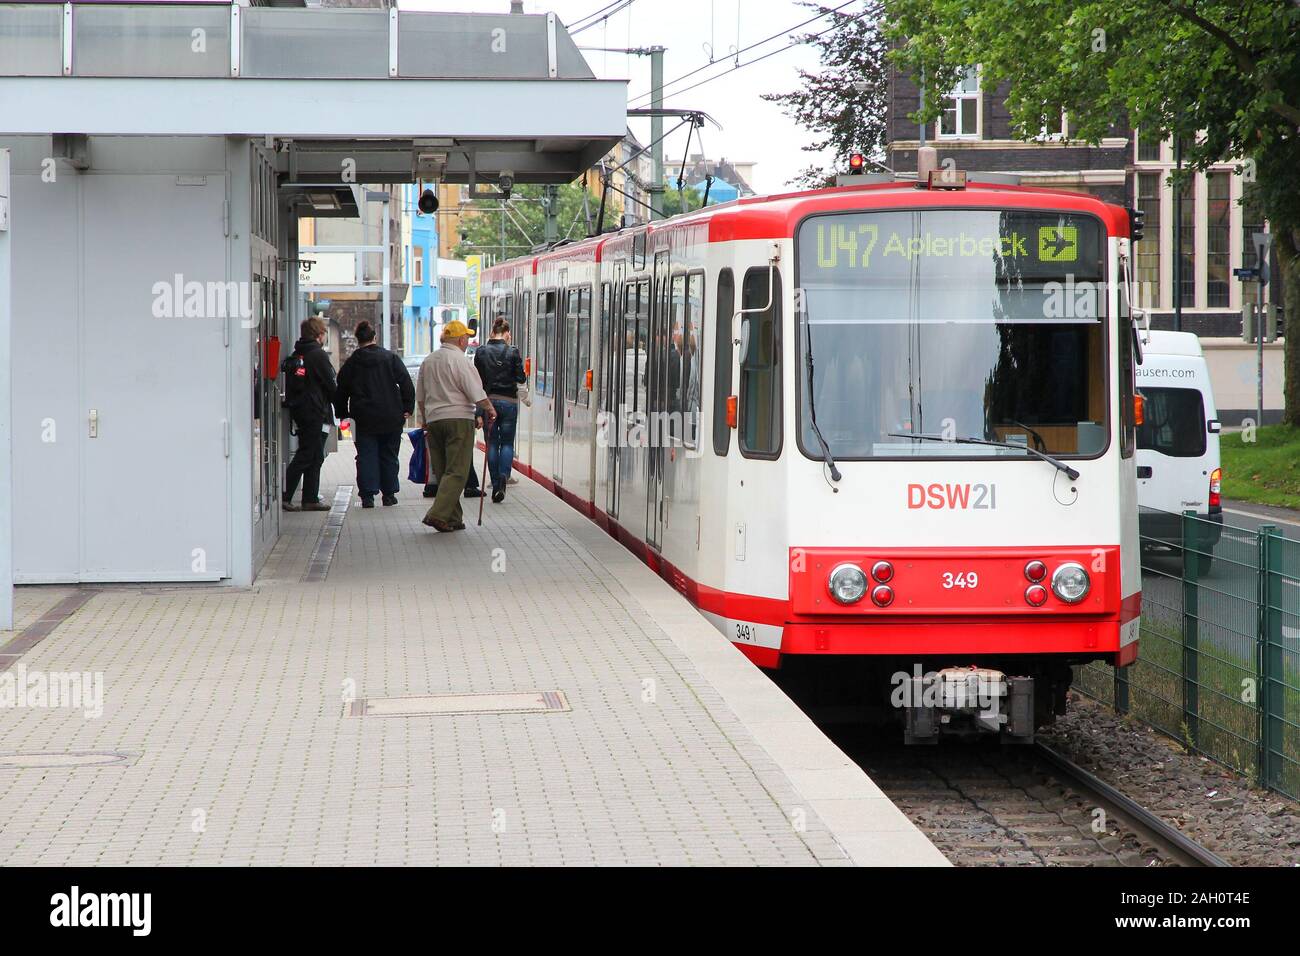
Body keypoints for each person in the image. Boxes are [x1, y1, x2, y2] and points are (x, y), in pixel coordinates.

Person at [415, 320, 496, 532]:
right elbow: (474, 389)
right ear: (461, 339)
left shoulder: (429, 361)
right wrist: (488, 408)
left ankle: (453, 518)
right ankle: (437, 514)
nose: (468, 342)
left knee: (443, 471)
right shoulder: (460, 360)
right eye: (467, 338)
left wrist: (425, 418)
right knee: (458, 471)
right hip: (458, 419)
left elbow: (421, 397)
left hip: (434, 420)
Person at [334, 319, 414, 509]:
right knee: (389, 454)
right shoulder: (390, 358)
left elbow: (340, 391)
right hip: (390, 415)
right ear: (374, 337)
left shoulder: (352, 364)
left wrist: (343, 414)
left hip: (362, 418)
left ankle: (368, 496)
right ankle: (389, 494)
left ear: (358, 339)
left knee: (366, 456)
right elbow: (406, 383)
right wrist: (407, 408)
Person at [282, 317, 337, 512]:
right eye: (323, 333)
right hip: (315, 411)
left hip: (302, 410)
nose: (324, 337)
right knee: (307, 454)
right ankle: (286, 494)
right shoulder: (318, 355)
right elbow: (331, 385)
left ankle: (310, 498)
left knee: (314, 455)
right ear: (318, 335)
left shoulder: (299, 353)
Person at [473, 317, 527, 503]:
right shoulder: (513, 352)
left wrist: (479, 412)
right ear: (505, 333)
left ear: (492, 332)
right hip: (509, 403)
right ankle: (504, 475)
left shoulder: (480, 352)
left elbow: (477, 383)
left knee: (493, 444)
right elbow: (521, 377)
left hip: (488, 404)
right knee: (507, 443)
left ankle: (496, 483)